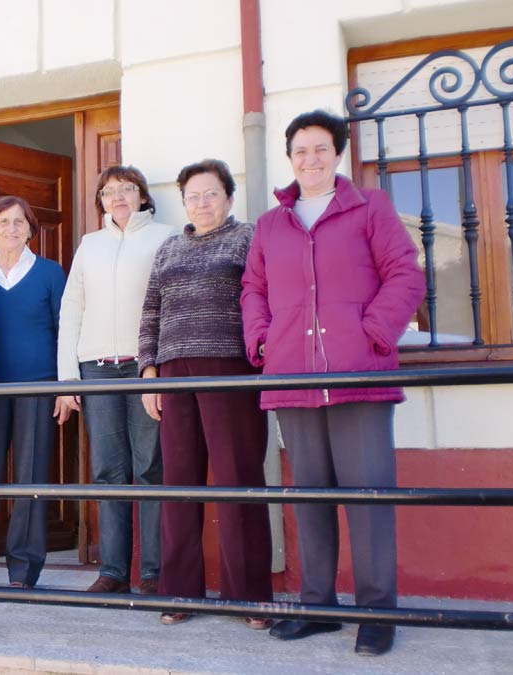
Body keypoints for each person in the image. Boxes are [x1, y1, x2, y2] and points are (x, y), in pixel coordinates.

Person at [241, 110, 426, 656]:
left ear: (338, 153)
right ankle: (318, 606)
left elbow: (405, 273)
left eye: (320, 148)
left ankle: (377, 613)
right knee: (310, 497)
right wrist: (263, 340)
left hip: (359, 376)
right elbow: (254, 289)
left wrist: (374, 333)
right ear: (290, 157)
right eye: (300, 150)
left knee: (367, 499)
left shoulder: (371, 207)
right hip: (293, 377)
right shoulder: (270, 224)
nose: (310, 159)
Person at [138, 159, 272, 627]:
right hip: (174, 374)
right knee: (179, 484)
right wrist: (148, 369)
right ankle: (180, 594)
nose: (202, 203)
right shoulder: (169, 248)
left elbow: (264, 298)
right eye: (192, 196)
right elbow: (151, 309)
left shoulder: (248, 238)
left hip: (231, 370)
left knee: (238, 480)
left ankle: (250, 596)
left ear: (229, 197)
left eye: (211, 193)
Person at [57, 165, 175, 594]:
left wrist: (158, 364)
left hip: (145, 366)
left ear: (142, 195)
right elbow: (72, 308)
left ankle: (154, 572)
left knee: (150, 467)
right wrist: (68, 378)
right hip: (97, 368)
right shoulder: (90, 244)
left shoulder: (165, 237)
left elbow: (170, 305)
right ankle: (113, 571)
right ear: (101, 201)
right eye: (109, 191)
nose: (118, 197)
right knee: (109, 470)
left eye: (127, 188)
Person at [0, 195, 66, 589]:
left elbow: (65, 330)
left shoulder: (50, 273)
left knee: (29, 476)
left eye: (19, 221)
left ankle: (23, 570)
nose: (11, 229)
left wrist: (65, 387)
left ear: (31, 229)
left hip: (37, 386)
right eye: (3, 222)